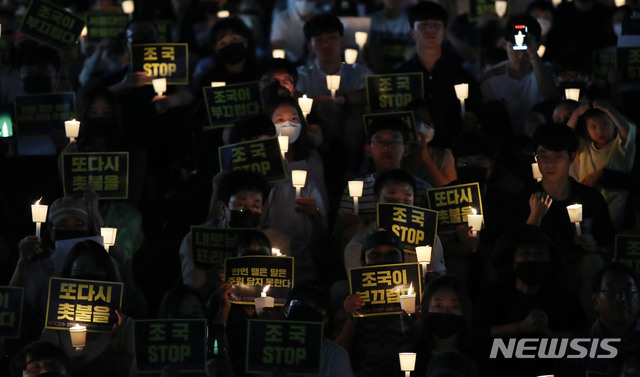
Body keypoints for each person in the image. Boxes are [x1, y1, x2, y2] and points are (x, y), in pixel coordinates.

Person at [524, 123, 615, 322]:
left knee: (593, 262)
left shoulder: (590, 198)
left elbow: (609, 245)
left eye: (557, 156)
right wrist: (535, 217)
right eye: (543, 156)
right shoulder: (525, 197)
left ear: (572, 157)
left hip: (579, 268)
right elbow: (514, 248)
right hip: (539, 271)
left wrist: (594, 246)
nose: (549, 163)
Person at [477, 225, 586, 377]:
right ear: (513, 259)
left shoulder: (561, 297)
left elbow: (579, 336)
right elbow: (480, 334)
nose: (533, 259)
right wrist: (520, 327)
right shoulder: (494, 294)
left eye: (540, 254)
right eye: (526, 254)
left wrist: (551, 335)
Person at [334, 115, 432, 253]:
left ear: (406, 149)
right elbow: (340, 236)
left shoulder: (423, 190)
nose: (386, 148)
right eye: (379, 142)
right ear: (368, 150)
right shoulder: (355, 188)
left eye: (394, 142)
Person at [40, 240, 134, 377]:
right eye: (81, 270)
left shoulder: (125, 326)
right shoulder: (56, 326)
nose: (90, 277)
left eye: (98, 270)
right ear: (68, 277)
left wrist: (118, 353)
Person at [395, 1, 481, 147]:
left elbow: (476, 108)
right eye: (423, 25)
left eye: (436, 25)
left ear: (445, 32)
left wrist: (471, 119)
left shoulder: (460, 74)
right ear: (412, 33)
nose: (430, 29)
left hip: (453, 145)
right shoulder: (400, 75)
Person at [296, 13, 372, 176]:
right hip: (316, 135)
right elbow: (290, 97)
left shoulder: (357, 73)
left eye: (332, 38)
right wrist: (314, 103)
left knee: (356, 114)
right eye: (320, 40)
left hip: (352, 137)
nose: (327, 45)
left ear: (342, 40)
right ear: (310, 45)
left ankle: (352, 172)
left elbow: (374, 93)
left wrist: (343, 100)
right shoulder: (302, 76)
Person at [342, 168, 446, 274]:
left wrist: (433, 278)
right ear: (376, 201)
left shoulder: (428, 241)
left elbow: (439, 271)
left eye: (407, 201)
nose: (400, 206)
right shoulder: (358, 246)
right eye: (391, 200)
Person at [479, 15, 559, 135]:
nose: (521, 55)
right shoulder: (490, 79)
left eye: (525, 49)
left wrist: (533, 54)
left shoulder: (548, 72)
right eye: (515, 48)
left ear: (537, 45)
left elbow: (551, 96)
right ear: (505, 44)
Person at [555, 262, 640, 376]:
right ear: (596, 301)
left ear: (638, 300)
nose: (621, 298)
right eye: (611, 291)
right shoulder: (576, 347)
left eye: (628, 291)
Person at [567, 99, 637, 230]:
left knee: (611, 233)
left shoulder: (620, 146)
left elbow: (626, 129)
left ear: (614, 124)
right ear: (587, 129)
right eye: (593, 127)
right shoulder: (584, 148)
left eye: (605, 124)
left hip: (615, 200)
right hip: (589, 202)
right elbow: (565, 136)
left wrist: (609, 109)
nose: (599, 131)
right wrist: (576, 114)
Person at [270, 0, 317, 64]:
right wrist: (280, 65)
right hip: (289, 64)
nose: (304, 3)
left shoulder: (320, 19)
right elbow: (277, 46)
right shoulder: (281, 19)